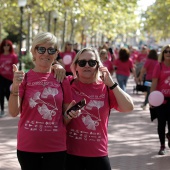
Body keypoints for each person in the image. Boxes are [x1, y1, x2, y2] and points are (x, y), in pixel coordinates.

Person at [8, 32, 76, 170]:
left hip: (56, 147)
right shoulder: (24, 79)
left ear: (56, 53)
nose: (46, 53)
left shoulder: (62, 79)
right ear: (33, 51)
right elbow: (14, 112)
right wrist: (15, 86)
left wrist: (70, 115)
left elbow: (65, 119)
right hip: (28, 147)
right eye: (41, 49)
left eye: (51, 50)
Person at [62, 47, 134, 170]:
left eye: (92, 62)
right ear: (76, 66)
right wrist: (56, 67)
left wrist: (112, 84)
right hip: (69, 154)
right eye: (82, 62)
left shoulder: (106, 88)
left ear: (98, 66)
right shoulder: (67, 84)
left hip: (98, 153)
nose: (87, 66)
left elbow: (128, 107)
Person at [150, 44, 170, 155]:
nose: (168, 53)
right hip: (161, 101)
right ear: (163, 54)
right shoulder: (159, 66)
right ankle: (162, 146)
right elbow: (154, 83)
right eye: (166, 51)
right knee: (161, 124)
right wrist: (152, 99)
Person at [0, 39, 18, 117]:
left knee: (9, 94)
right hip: (1, 77)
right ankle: (2, 110)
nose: (6, 47)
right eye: (5, 45)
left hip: (10, 78)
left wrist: (15, 78)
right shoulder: (0, 55)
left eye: (8, 45)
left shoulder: (13, 56)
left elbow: (16, 68)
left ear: (10, 47)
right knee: (0, 93)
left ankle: (12, 109)